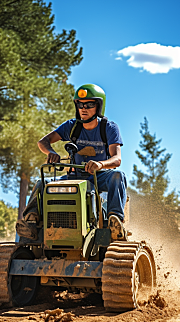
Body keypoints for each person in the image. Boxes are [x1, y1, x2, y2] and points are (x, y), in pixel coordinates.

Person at [16, 83, 127, 242]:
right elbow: (43, 141)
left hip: (99, 177)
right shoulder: (71, 126)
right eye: (80, 104)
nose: (84, 108)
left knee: (118, 176)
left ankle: (114, 221)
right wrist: (51, 152)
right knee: (43, 183)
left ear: (99, 106)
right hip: (74, 177)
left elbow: (117, 159)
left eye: (89, 104)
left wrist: (100, 165)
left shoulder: (109, 128)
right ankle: (32, 221)